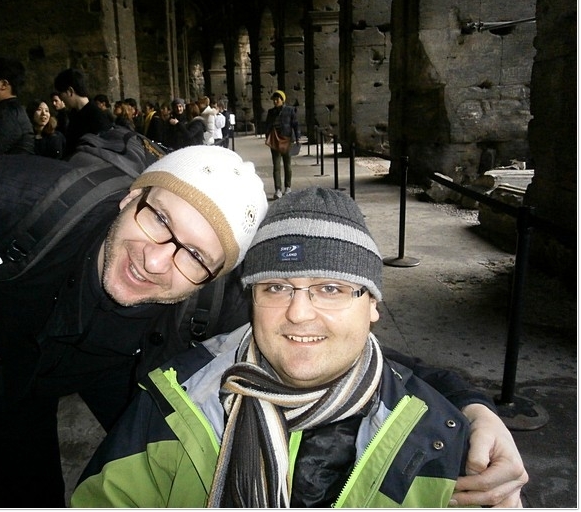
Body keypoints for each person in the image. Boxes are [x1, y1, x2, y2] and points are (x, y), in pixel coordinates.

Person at [72, 187, 529, 508]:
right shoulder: (172, 402)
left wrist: (473, 408)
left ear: (372, 304)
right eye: (276, 287)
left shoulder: (449, 445)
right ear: (250, 300)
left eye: (330, 288)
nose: (299, 313)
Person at [0, 145, 269, 507]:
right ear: (132, 197)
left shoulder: (224, 305)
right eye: (160, 219)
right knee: (23, 489)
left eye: (195, 256)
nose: (154, 262)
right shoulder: (9, 198)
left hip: (122, 369)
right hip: (6, 355)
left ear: (214, 277)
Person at [54, 68, 113, 156]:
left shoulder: (97, 117)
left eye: (60, 94)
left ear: (70, 91)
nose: (61, 99)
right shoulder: (74, 113)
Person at [265, 89, 299, 200]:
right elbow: (267, 124)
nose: (275, 101)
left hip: (287, 140)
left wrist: (297, 137)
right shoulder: (271, 112)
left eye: (277, 99)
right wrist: (268, 136)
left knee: (287, 165)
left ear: (282, 100)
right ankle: (278, 189)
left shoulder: (290, 110)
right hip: (275, 140)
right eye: (274, 100)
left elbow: (295, 124)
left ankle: (288, 187)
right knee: (276, 166)